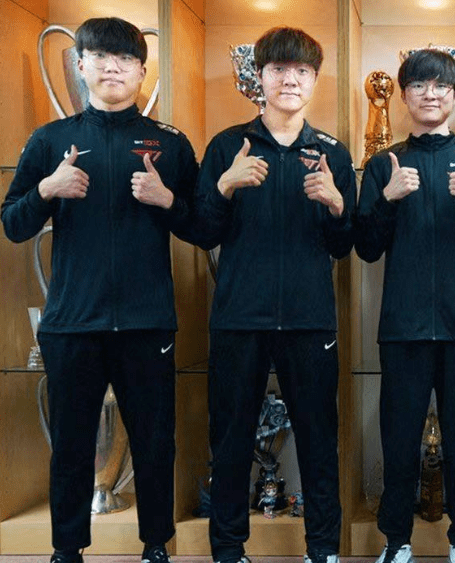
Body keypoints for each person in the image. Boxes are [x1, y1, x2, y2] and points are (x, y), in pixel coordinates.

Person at [1, 16, 199, 563]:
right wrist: (47, 188)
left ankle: (156, 544)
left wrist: (167, 201)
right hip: (72, 324)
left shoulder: (169, 143)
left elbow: (206, 227)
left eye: (126, 59)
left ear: (142, 71)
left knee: (155, 444)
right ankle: (67, 549)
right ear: (81, 64)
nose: (113, 68)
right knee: (71, 447)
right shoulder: (50, 140)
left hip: (147, 322)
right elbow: (13, 223)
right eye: (101, 57)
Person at [194, 27, 355, 563]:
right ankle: (228, 550)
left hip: (310, 321)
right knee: (230, 439)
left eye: (302, 71)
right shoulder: (227, 146)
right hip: (239, 318)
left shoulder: (331, 152)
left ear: (314, 80)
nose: (291, 79)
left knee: (318, 439)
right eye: (279, 69)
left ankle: (323, 549)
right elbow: (203, 232)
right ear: (258, 76)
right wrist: (225, 185)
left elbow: (345, 245)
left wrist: (337, 204)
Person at [355, 48, 455, 563]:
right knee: (398, 442)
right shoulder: (384, 164)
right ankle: (396, 541)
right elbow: (366, 248)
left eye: (441, 85)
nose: (430, 94)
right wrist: (388, 198)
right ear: (403, 95)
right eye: (419, 85)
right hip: (403, 328)